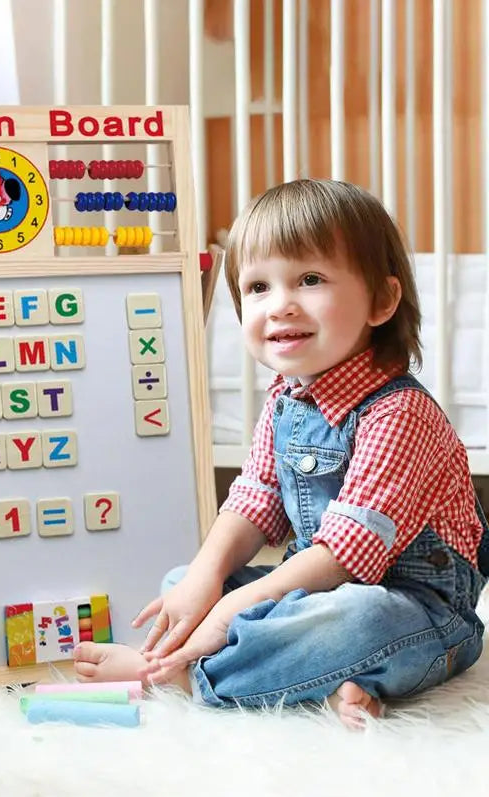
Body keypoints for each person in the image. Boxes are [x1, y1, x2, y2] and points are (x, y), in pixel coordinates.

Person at [74, 179, 489, 727]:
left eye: (310, 280)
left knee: (358, 619)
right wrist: (207, 580)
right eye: (257, 287)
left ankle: (179, 674)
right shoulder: (285, 400)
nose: (280, 306)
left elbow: (346, 554)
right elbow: (254, 499)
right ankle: (318, 683)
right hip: (311, 588)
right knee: (183, 584)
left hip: (422, 615)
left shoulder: (400, 414)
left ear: (382, 301)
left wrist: (231, 612)